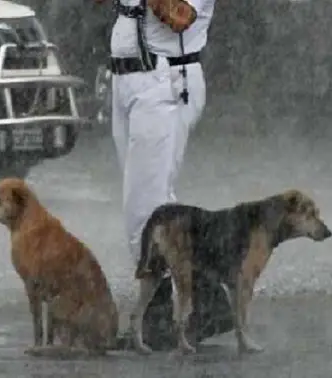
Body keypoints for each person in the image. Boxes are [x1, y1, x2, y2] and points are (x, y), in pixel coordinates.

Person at [106, 0, 233, 349]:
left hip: (166, 81)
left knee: (146, 210)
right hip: (125, 80)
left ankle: (178, 313)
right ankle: (199, 306)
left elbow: (180, 17)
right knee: (152, 205)